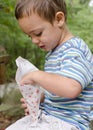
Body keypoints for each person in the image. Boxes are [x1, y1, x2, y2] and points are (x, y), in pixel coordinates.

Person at [6, 0, 93, 130]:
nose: (34, 41)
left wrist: (37, 75)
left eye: (37, 33)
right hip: (50, 117)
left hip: (68, 122)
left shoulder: (74, 49)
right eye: (30, 36)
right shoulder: (53, 53)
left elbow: (71, 88)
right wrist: (39, 98)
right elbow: (58, 89)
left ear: (59, 19)